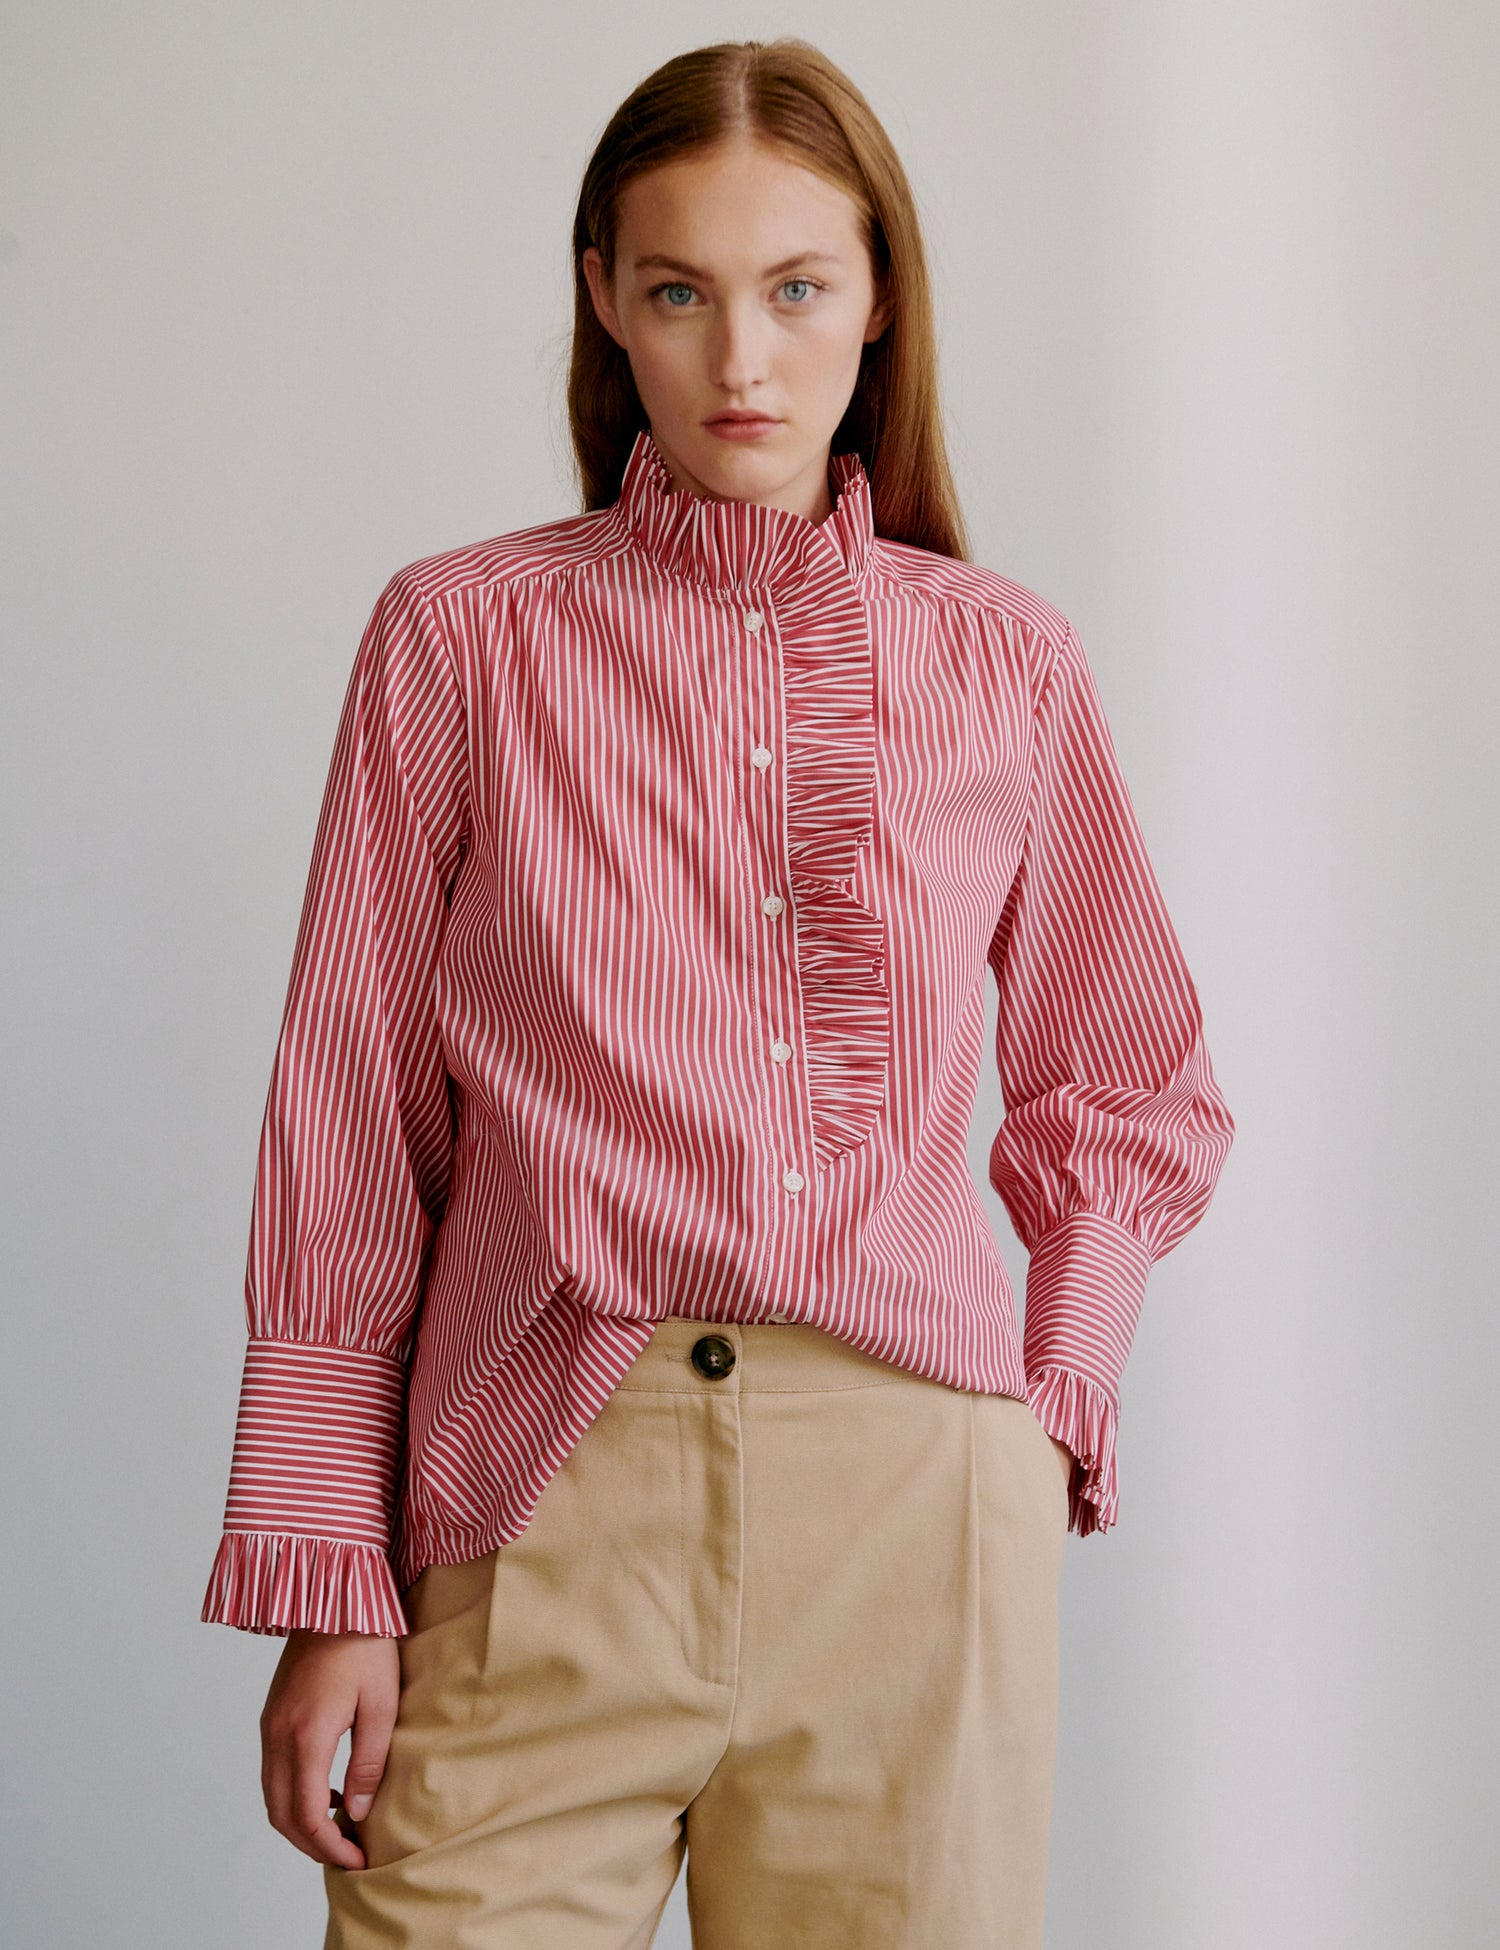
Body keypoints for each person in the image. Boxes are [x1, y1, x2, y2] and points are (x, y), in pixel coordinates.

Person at [203, 36, 1233, 1950]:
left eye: (795, 290)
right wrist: (330, 1570)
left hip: (915, 1508)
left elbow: (1129, 1081)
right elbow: (347, 1117)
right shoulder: (461, 634)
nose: (740, 362)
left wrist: (1049, 1388)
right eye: (680, 292)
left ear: (877, 299)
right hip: (540, 1490)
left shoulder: (1005, 661)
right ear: (603, 296)